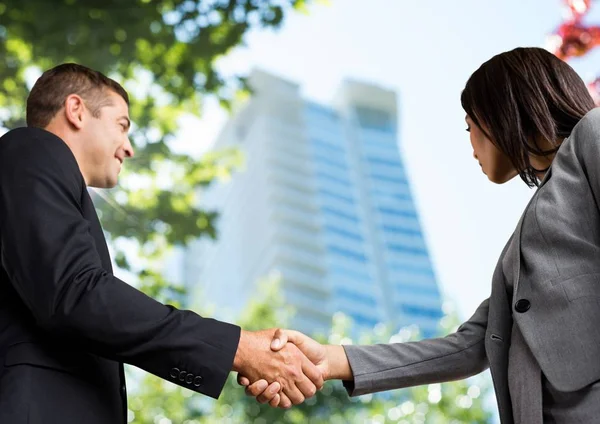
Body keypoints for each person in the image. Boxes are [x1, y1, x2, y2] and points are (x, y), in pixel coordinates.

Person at [239, 47, 600, 423]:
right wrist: (330, 359)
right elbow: (469, 345)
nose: (470, 142)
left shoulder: (593, 133)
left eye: (469, 125)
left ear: (501, 111)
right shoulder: (518, 252)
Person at [0, 63, 322, 424]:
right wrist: (239, 348)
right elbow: (77, 294)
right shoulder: (33, 149)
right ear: (76, 110)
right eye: (121, 125)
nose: (129, 148)